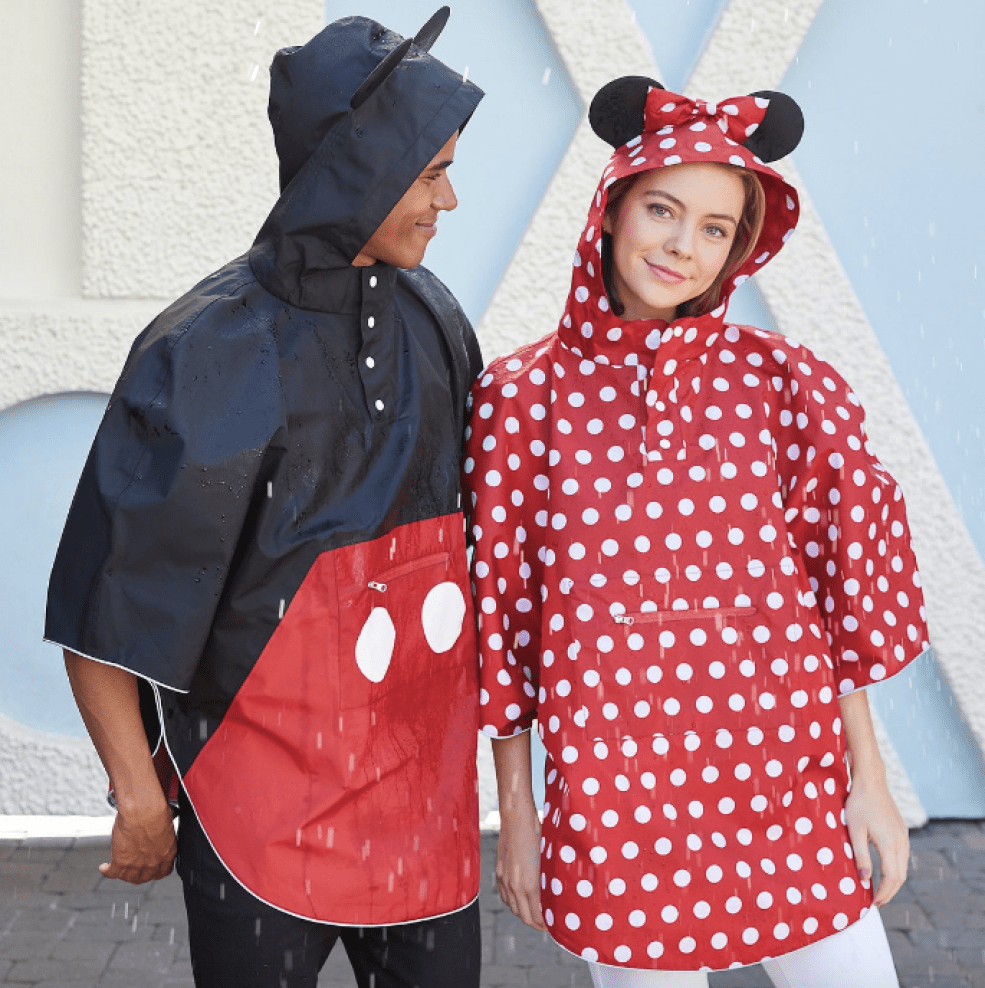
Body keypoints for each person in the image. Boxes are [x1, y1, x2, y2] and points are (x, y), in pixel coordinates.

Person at [45, 9, 485, 987]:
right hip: (258, 809)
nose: (449, 199)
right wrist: (138, 798)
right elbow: (108, 607)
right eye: (428, 172)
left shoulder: (437, 319)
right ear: (354, 169)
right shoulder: (209, 354)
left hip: (423, 809)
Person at [464, 76, 928, 987]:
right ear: (610, 211)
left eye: (715, 228)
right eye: (662, 210)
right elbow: (504, 620)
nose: (682, 246)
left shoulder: (782, 383)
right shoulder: (520, 400)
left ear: (738, 250)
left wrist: (866, 780)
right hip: (615, 799)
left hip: (789, 788)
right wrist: (517, 815)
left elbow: (830, 598)